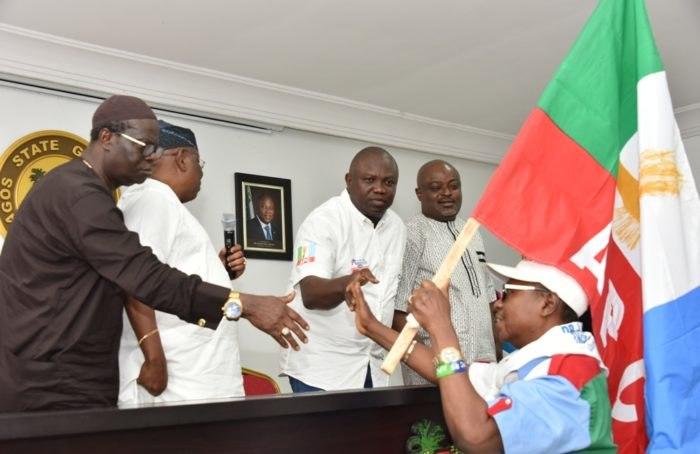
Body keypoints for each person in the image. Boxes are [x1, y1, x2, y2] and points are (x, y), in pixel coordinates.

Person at [0, 95, 308, 412]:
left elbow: (125, 276)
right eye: (144, 146)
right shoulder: (78, 194)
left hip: (68, 378)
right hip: (49, 384)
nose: (151, 158)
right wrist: (246, 304)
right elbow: (145, 277)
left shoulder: (85, 190)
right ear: (106, 138)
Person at [346, 259, 616, 453]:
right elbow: (448, 372)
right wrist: (371, 326)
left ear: (547, 303)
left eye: (508, 294)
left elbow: (476, 438)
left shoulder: (567, 375)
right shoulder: (541, 362)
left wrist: (442, 327)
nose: (497, 303)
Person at [117, 120, 251, 404]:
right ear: (182, 158)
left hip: (194, 381)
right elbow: (135, 281)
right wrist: (154, 360)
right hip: (179, 385)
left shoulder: (161, 203)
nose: (201, 173)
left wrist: (219, 271)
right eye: (199, 163)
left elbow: (163, 277)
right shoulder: (153, 198)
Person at [280, 146, 406, 392]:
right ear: (349, 181)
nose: (380, 188)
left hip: (374, 365)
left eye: (388, 182)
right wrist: (348, 282)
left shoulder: (397, 228)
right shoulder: (323, 221)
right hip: (321, 367)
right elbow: (311, 293)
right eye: (369, 180)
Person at [395, 160, 496, 385]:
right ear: (419, 194)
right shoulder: (411, 234)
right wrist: (427, 361)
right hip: (437, 369)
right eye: (435, 188)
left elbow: (488, 295)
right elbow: (398, 310)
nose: (447, 193)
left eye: (454, 186)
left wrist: (495, 349)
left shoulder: (472, 231)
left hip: (483, 365)